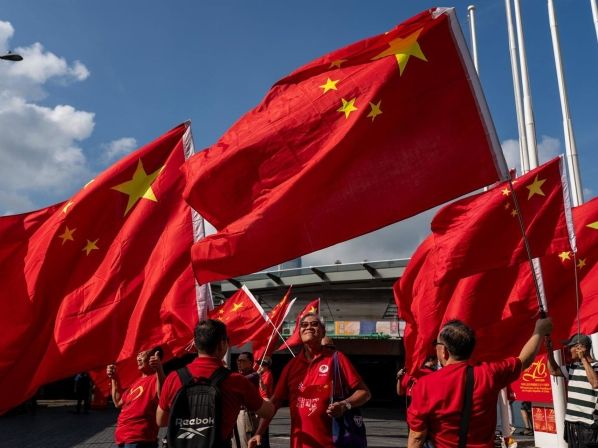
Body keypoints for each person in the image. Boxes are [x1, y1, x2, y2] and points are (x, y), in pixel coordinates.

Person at [407, 317, 553, 448]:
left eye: (436, 344)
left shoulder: (425, 384)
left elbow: (417, 436)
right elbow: (524, 361)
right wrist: (539, 331)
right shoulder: (489, 373)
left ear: (444, 350)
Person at [248, 313, 371, 448]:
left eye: (314, 324)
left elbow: (364, 393)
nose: (309, 327)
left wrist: (344, 405)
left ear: (323, 332)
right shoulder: (291, 366)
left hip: (332, 443)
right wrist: (259, 432)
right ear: (299, 333)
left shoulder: (336, 358)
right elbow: (275, 401)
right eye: (304, 325)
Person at [156, 319, 275, 446]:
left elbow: (160, 420)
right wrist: (266, 396)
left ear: (195, 344)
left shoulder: (174, 378)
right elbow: (267, 412)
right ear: (222, 344)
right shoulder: (236, 381)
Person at [546, 333, 598, 447]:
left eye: (571, 347)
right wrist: (549, 352)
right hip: (572, 423)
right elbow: (553, 371)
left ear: (581, 347)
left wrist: (583, 358)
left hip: (589, 425)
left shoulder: (596, 366)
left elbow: (595, 383)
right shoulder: (572, 367)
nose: (569, 350)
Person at [107, 347, 165, 448]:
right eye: (138, 354)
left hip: (140, 439)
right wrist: (114, 378)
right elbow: (118, 402)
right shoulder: (137, 381)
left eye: (143, 353)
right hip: (122, 438)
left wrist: (159, 369)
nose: (139, 357)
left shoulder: (157, 379)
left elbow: (163, 395)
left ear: (155, 356)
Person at [234, 351, 260, 448]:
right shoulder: (239, 375)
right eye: (238, 360)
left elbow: (239, 380)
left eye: (242, 360)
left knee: (245, 442)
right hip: (237, 413)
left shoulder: (253, 375)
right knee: (235, 443)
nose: (239, 363)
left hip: (246, 414)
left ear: (250, 363)